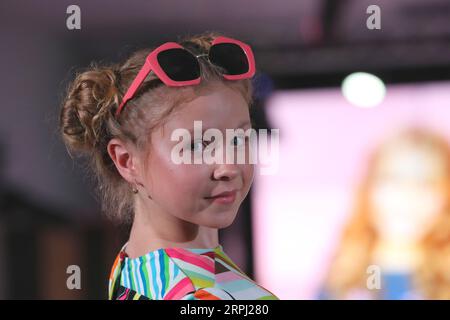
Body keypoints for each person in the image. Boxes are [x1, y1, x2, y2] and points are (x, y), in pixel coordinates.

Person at [59, 31, 279, 300]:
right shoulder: (196, 295)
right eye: (197, 146)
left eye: (238, 139)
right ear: (127, 161)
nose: (229, 167)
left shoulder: (134, 268)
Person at [321, 127, 450, 299]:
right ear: (369, 189)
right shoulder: (342, 275)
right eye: (394, 180)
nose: (408, 197)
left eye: (425, 184)